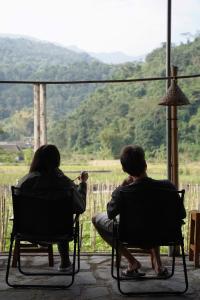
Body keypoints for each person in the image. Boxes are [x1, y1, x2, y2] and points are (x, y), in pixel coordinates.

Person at [92, 145, 186, 277]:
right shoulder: (168, 187)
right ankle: (158, 265)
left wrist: (123, 185)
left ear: (125, 169)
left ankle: (132, 261)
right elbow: (182, 214)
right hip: (164, 234)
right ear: (145, 164)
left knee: (95, 218)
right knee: (153, 219)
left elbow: (110, 213)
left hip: (130, 235)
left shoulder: (122, 191)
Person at [17, 144, 88, 271]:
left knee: (54, 217)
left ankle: (65, 261)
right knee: (60, 217)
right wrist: (82, 184)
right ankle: (65, 262)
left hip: (28, 231)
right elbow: (80, 207)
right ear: (57, 161)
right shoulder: (64, 184)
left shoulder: (24, 182)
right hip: (60, 232)